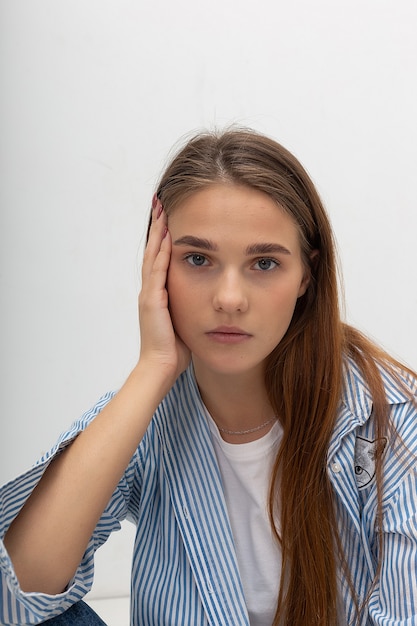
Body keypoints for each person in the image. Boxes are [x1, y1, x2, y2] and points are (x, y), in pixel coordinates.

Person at [1, 129, 416, 626]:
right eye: (198, 259)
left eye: (264, 263)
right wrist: (152, 370)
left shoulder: (386, 421)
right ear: (159, 270)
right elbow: (17, 592)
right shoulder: (149, 415)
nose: (229, 298)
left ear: (306, 276)